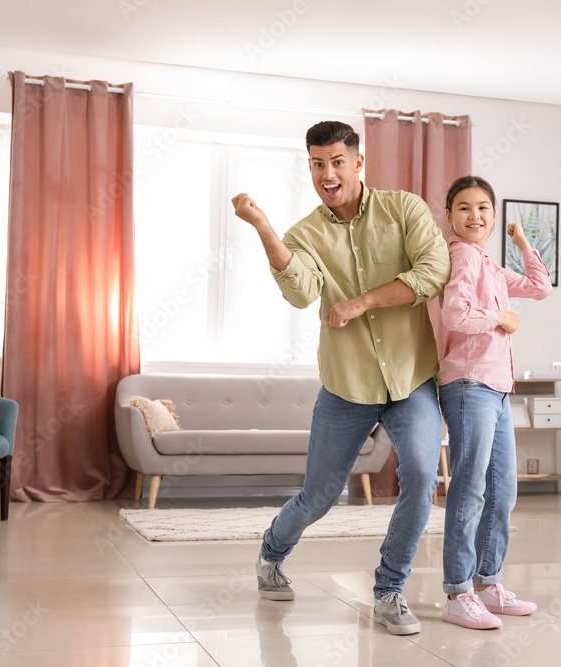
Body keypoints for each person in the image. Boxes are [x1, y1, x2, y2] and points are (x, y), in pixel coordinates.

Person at [231, 121, 450, 636]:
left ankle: (389, 591)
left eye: (336, 161)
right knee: (320, 495)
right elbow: (302, 291)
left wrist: (361, 301)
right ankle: (272, 551)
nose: (327, 173)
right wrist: (264, 226)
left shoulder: (404, 210)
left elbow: (433, 271)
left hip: (410, 378)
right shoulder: (303, 233)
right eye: (316, 163)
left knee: (421, 477)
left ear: (358, 163)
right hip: (346, 384)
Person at [429, 175, 552, 629]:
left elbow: (540, 287)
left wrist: (522, 243)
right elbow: (455, 314)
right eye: (464, 208)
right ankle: (458, 592)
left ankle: (488, 582)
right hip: (468, 384)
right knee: (472, 488)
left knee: (503, 491)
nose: (474, 216)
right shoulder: (461, 254)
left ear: (494, 216)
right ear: (449, 216)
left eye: (483, 208)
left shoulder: (491, 266)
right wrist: (500, 317)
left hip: (497, 388)